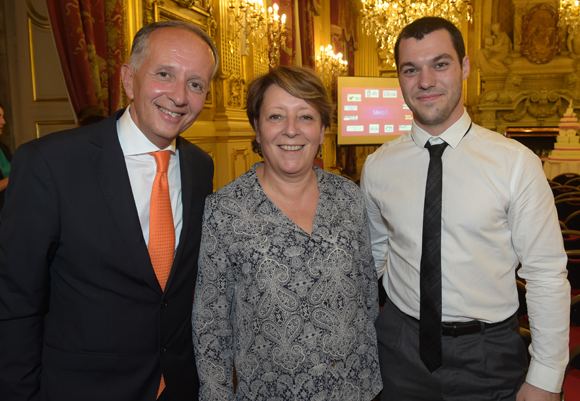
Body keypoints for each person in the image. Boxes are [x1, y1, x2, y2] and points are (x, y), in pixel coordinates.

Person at [0, 20, 218, 401]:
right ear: (128, 79)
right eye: (164, 74)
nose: (180, 96)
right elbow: (15, 301)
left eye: (196, 84)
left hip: (179, 386)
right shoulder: (50, 163)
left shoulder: (201, 167)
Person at [361, 17, 569, 401]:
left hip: (488, 356)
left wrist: (546, 375)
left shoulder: (515, 164)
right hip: (398, 350)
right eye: (411, 69)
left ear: (466, 67)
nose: (425, 81)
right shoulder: (377, 166)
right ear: (400, 79)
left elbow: (546, 275)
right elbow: (377, 253)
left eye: (440, 64)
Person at [192, 66, 382, 400]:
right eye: (276, 116)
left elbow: (367, 296)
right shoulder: (225, 211)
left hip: (356, 388)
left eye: (306, 117)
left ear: (323, 130)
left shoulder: (348, 197)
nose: (291, 131)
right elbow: (211, 325)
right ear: (256, 127)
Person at [0, 103, 12, 215]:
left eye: (3, 116)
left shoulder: (4, 148)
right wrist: (15, 177)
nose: (3, 121)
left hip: (8, 215)